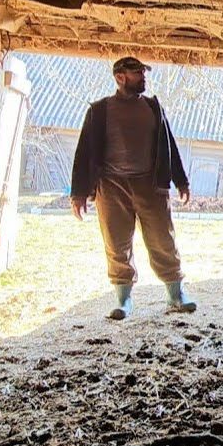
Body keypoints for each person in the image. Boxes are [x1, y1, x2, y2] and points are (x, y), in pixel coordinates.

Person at [69, 56, 196, 320]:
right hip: (112, 186)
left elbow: (168, 145)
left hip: (151, 185)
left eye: (143, 72)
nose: (143, 77)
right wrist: (78, 193)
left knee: (163, 239)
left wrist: (181, 181)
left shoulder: (153, 107)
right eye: (137, 73)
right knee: (117, 243)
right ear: (120, 77)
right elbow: (84, 152)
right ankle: (123, 299)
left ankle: (176, 293)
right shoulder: (99, 110)